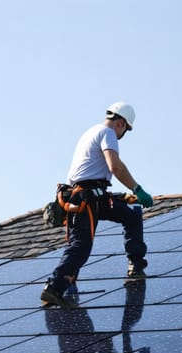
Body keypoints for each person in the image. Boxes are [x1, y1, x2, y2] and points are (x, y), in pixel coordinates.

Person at [41, 102, 154, 308]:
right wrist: (137, 189)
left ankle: (136, 266)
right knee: (81, 246)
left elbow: (92, 173)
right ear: (121, 123)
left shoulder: (91, 132)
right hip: (85, 198)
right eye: (125, 130)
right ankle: (55, 286)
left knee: (130, 216)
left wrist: (121, 196)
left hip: (92, 196)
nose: (123, 134)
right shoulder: (108, 133)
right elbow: (116, 167)